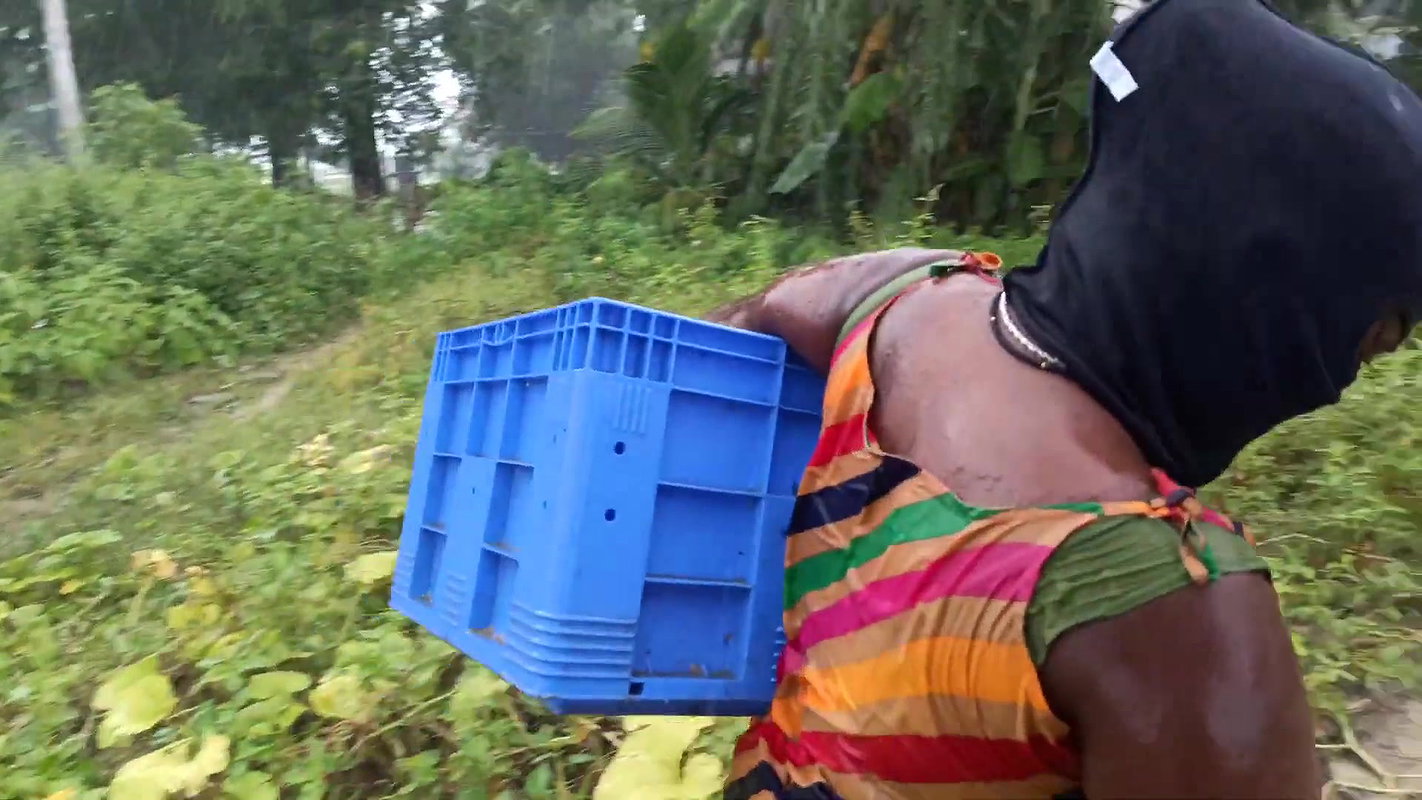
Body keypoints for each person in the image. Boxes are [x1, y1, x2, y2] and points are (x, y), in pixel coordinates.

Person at [705, 0, 1422, 797]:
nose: (1334, 388)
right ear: (1263, 293)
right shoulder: (1175, 615)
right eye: (1365, 343)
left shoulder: (900, 299)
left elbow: (726, 337)